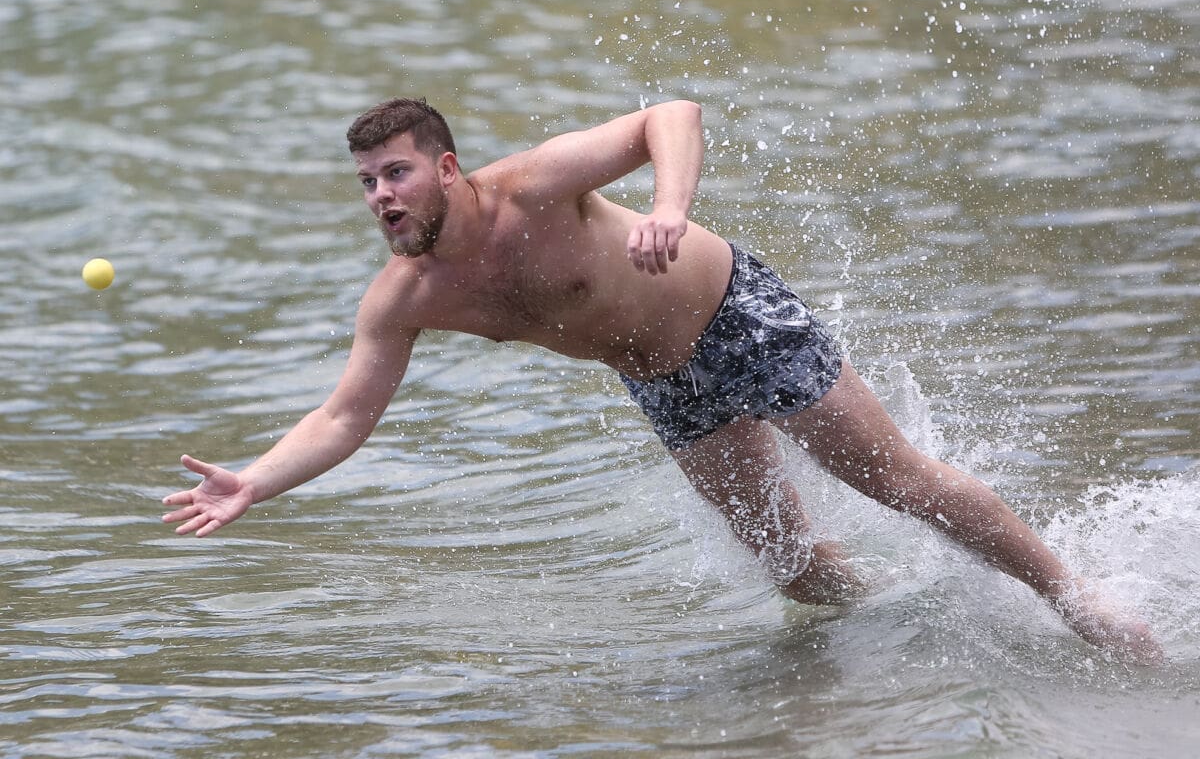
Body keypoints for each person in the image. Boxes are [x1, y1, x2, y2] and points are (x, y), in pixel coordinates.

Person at [163, 98, 1160, 662]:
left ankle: (1076, 597)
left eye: (396, 174)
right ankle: (901, 630)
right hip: (665, 385)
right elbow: (345, 414)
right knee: (793, 569)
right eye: (368, 183)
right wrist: (255, 479)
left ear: (448, 169)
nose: (381, 196)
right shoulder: (406, 297)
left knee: (895, 479)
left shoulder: (534, 186)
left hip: (737, 318)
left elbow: (668, 116)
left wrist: (670, 208)